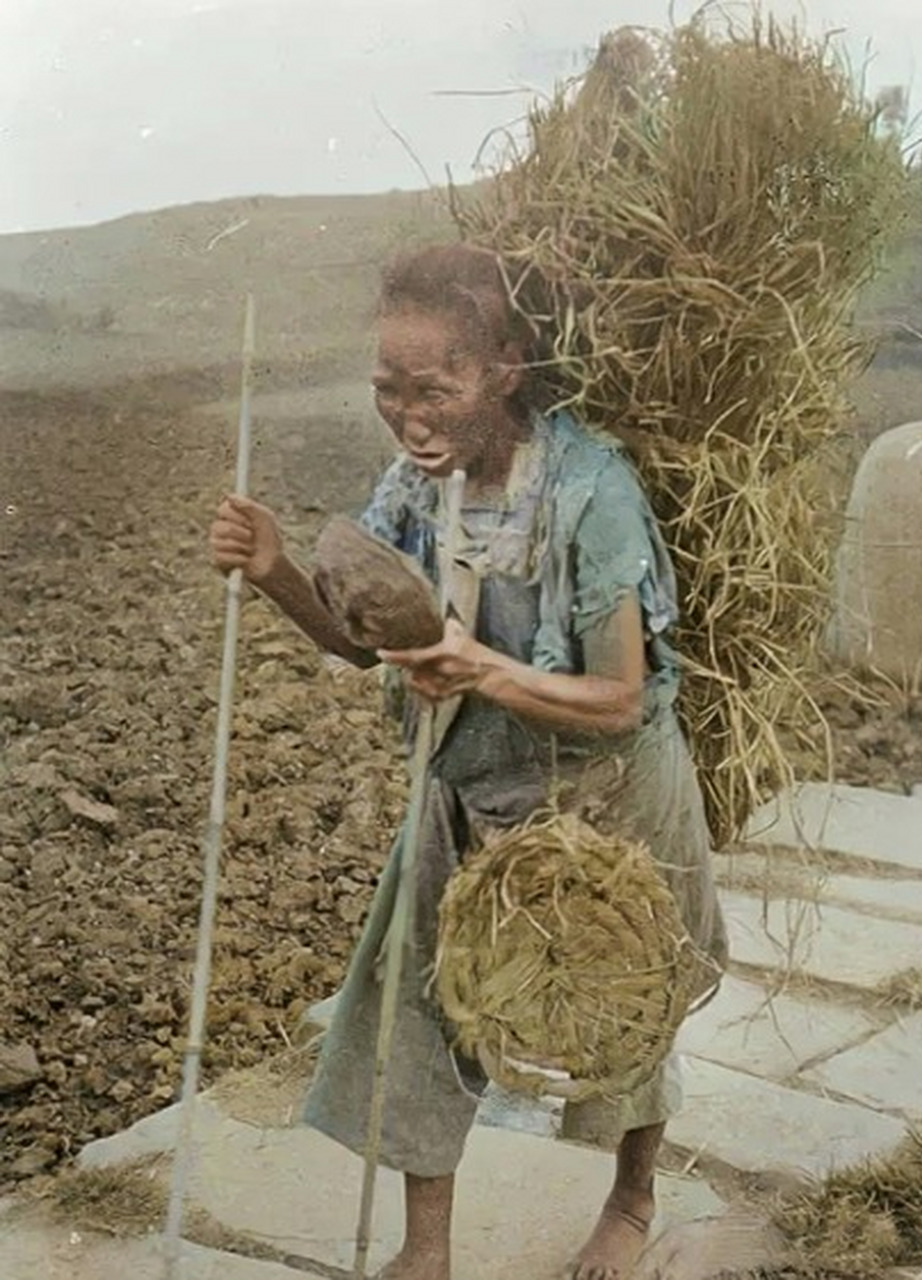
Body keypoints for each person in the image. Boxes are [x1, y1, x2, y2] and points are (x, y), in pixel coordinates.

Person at [209, 243, 728, 1280]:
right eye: (387, 390)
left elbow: (620, 694)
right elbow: (365, 638)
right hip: (465, 785)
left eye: (433, 388)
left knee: (620, 1003)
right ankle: (427, 1248)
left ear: (505, 364)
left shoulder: (590, 492)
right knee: (413, 1003)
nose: (409, 415)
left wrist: (478, 664)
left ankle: (630, 1198)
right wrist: (273, 571)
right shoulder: (410, 488)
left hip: (608, 797)